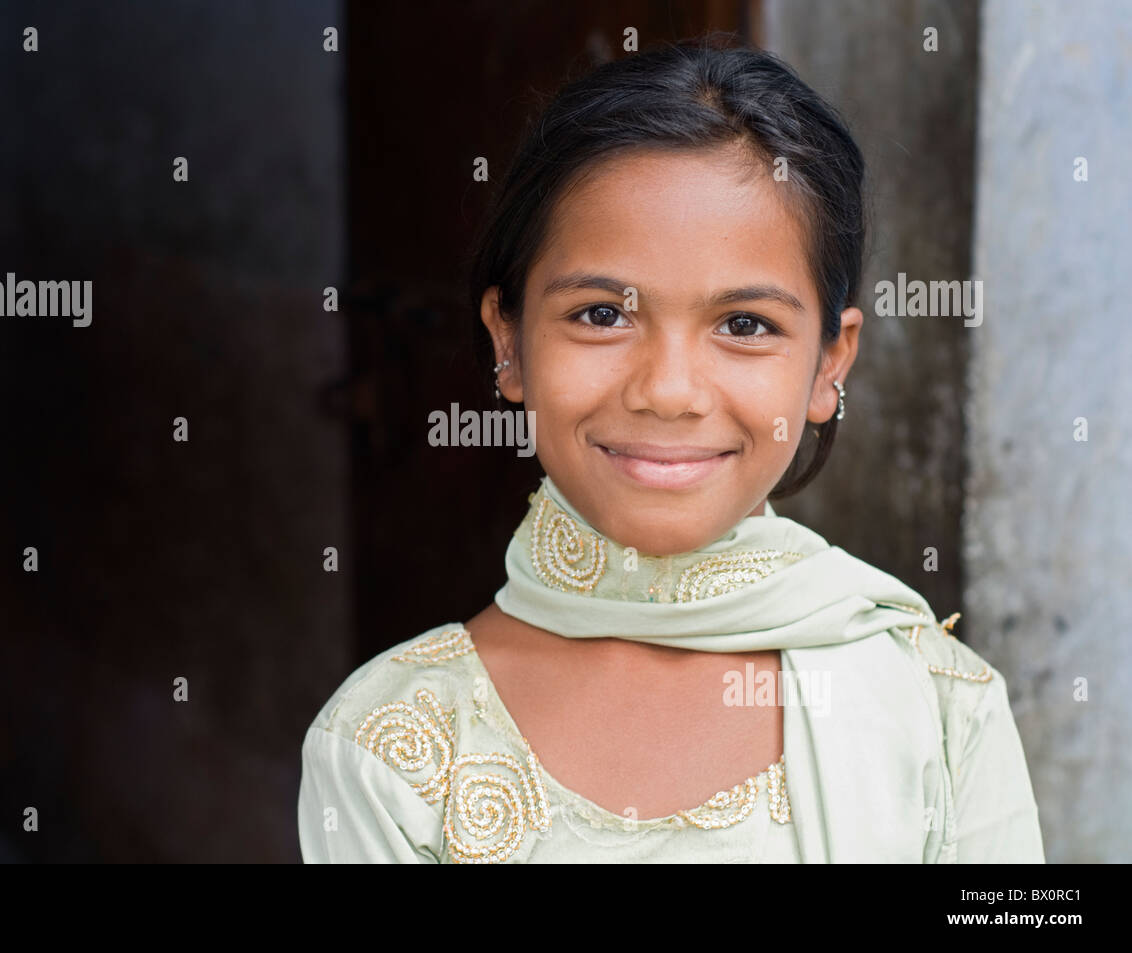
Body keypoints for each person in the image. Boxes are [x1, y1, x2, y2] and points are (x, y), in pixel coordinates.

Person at [297, 38, 1045, 863]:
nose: (669, 389)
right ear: (507, 340)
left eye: (745, 325)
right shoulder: (388, 747)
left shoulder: (939, 707)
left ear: (829, 364)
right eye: (602, 314)